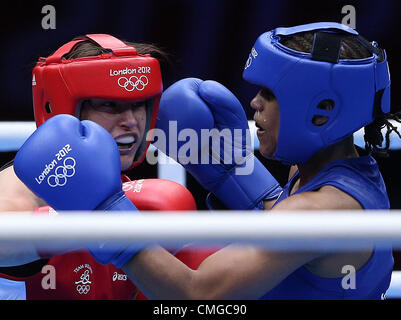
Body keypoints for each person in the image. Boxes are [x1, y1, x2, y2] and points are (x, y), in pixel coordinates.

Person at [15, 22, 396, 299]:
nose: (254, 104)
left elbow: (198, 296)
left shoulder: (322, 209)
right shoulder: (327, 171)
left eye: (269, 93)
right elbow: (282, 222)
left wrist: (103, 215)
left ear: (321, 111)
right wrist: (231, 172)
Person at [0, 34, 213, 300]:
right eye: (110, 105)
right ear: (61, 110)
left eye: (139, 105)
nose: (131, 122)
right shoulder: (18, 193)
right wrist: (100, 218)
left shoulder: (112, 185)